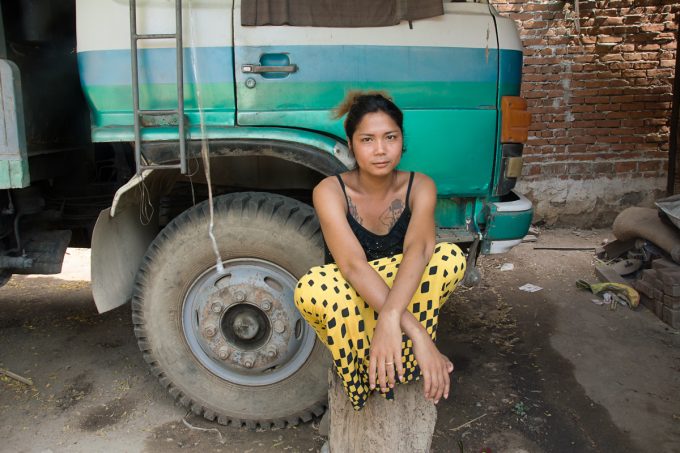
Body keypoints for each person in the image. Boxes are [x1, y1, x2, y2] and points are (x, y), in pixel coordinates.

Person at [294, 91, 467, 410]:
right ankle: (363, 381)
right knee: (313, 288)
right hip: (353, 300)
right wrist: (413, 330)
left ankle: (408, 365)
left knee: (448, 258)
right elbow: (353, 266)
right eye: (367, 140)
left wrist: (390, 315)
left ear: (402, 139)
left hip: (404, 292)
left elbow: (418, 251)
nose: (380, 150)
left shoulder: (421, 186)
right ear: (351, 143)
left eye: (390, 137)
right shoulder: (330, 191)